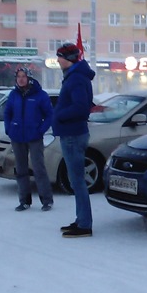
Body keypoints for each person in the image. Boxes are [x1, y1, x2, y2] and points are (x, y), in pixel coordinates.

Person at [53, 43, 95, 238]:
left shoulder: (76, 78)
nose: (57, 60)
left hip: (73, 134)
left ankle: (84, 224)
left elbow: (81, 107)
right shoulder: (76, 76)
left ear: (69, 59)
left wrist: (59, 115)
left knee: (77, 181)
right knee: (75, 180)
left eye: (60, 57)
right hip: (73, 133)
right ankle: (81, 219)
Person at [4, 67, 54, 212]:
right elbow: (7, 113)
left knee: (39, 168)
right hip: (17, 136)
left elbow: (49, 115)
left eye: (23, 76)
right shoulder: (14, 95)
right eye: (18, 76)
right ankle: (24, 201)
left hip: (34, 137)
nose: (21, 79)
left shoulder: (40, 95)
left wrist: (40, 130)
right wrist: (9, 128)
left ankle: (46, 200)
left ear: (29, 78)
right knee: (20, 170)